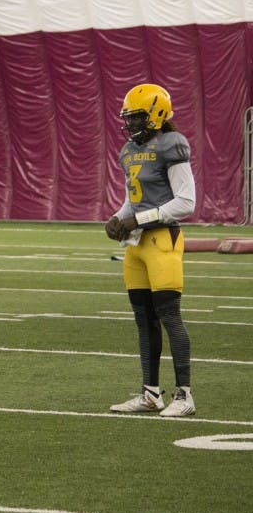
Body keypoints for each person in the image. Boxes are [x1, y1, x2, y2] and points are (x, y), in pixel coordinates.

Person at [105, 83, 196, 417]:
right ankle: (150, 393)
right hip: (138, 245)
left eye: (137, 116)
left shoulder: (172, 143)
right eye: (129, 117)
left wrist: (138, 219)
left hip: (162, 241)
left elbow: (186, 202)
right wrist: (117, 218)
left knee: (169, 316)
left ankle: (184, 396)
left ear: (157, 113)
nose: (130, 124)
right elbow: (133, 198)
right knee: (144, 320)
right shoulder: (129, 149)